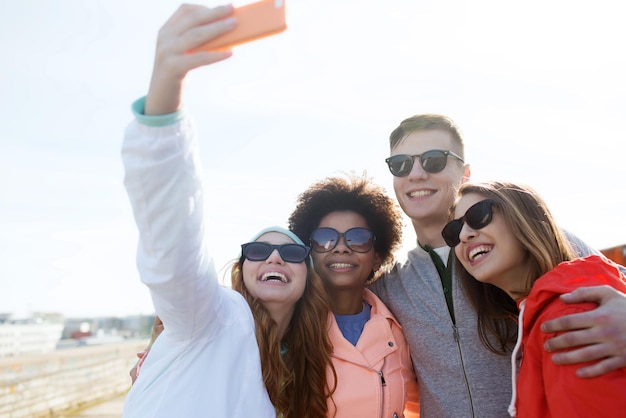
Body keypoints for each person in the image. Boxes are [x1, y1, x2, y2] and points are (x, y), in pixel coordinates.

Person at [121, 4, 335, 417]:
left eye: (292, 253)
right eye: (258, 251)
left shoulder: (305, 367)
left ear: (308, 277)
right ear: (241, 270)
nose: (274, 256)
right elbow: (172, 247)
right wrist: (166, 94)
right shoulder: (211, 319)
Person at [368, 113, 626, 417]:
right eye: (400, 164)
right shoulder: (388, 287)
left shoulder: (527, 244)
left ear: (465, 173)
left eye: (433, 160)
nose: (416, 173)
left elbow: (610, 281)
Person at [444, 180, 626, 417]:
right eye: (454, 231)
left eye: (479, 215)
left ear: (523, 216)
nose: (465, 234)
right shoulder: (539, 315)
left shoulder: (569, 315)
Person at [288, 174, 420, 417]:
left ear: (377, 256)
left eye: (358, 238)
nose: (341, 247)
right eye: (325, 239)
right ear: (309, 253)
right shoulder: (287, 327)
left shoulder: (399, 329)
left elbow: (413, 407)